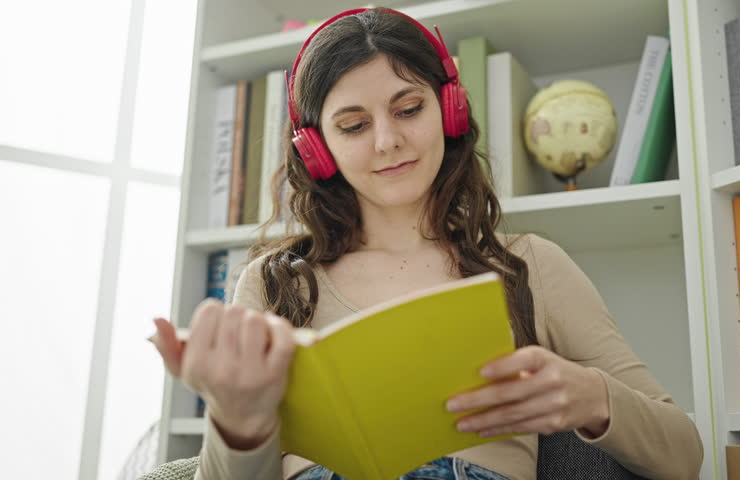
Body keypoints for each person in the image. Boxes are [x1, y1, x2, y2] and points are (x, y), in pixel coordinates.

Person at [149, 7, 703, 480]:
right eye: (353, 125)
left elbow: (684, 454)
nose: (389, 141)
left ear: (450, 109)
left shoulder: (530, 265)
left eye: (408, 109)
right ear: (318, 150)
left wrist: (591, 395)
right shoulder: (275, 282)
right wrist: (235, 419)